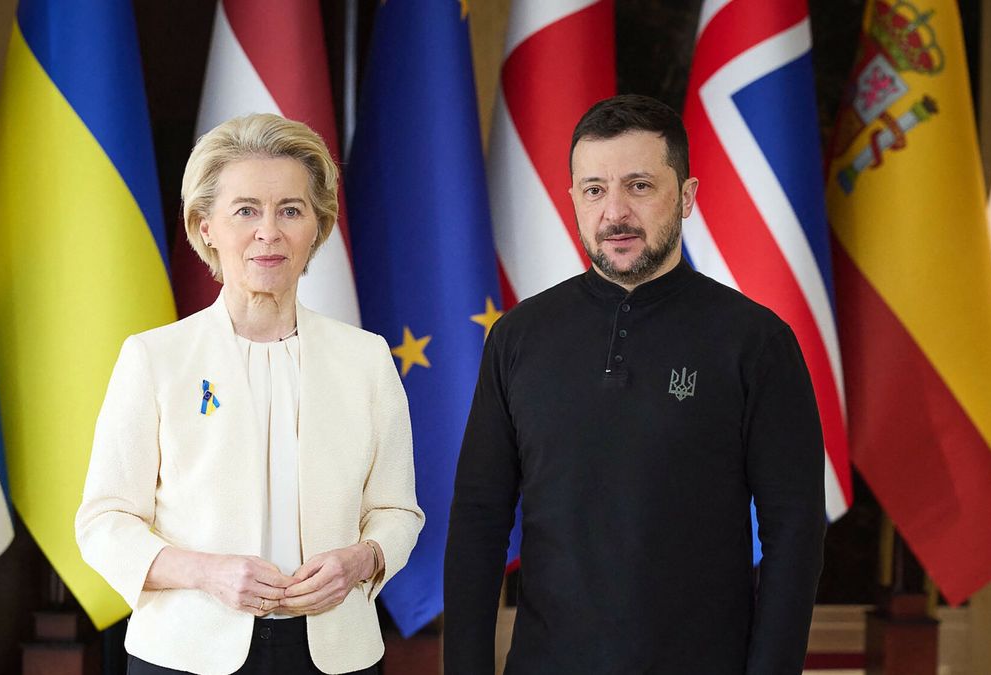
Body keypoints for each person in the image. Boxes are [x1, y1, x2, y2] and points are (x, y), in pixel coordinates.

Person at [444, 94, 826, 674]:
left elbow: (793, 528)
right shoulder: (517, 337)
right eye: (594, 189)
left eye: (640, 186)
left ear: (688, 197)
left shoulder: (756, 341)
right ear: (572, 198)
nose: (614, 212)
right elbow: (479, 514)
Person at [76, 113, 424, 675]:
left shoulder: (366, 359)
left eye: (291, 210)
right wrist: (205, 573)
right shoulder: (154, 358)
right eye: (245, 210)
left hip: (336, 653)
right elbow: (104, 522)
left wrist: (363, 560)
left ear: (318, 228)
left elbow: (397, 511)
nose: (269, 231)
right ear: (205, 226)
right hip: (184, 654)